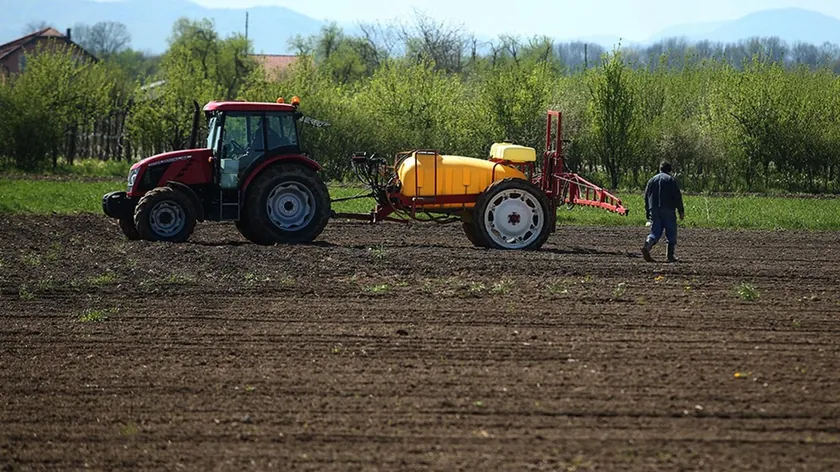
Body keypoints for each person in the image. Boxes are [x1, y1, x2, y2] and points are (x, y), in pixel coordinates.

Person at [642, 161, 684, 263]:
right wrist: (681, 210)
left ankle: (647, 245)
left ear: (660, 169)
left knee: (655, 232)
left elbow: (646, 197)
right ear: (669, 170)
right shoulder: (671, 180)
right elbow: (677, 196)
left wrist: (648, 211)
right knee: (671, 232)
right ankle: (670, 256)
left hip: (654, 209)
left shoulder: (651, 180)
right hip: (668, 209)